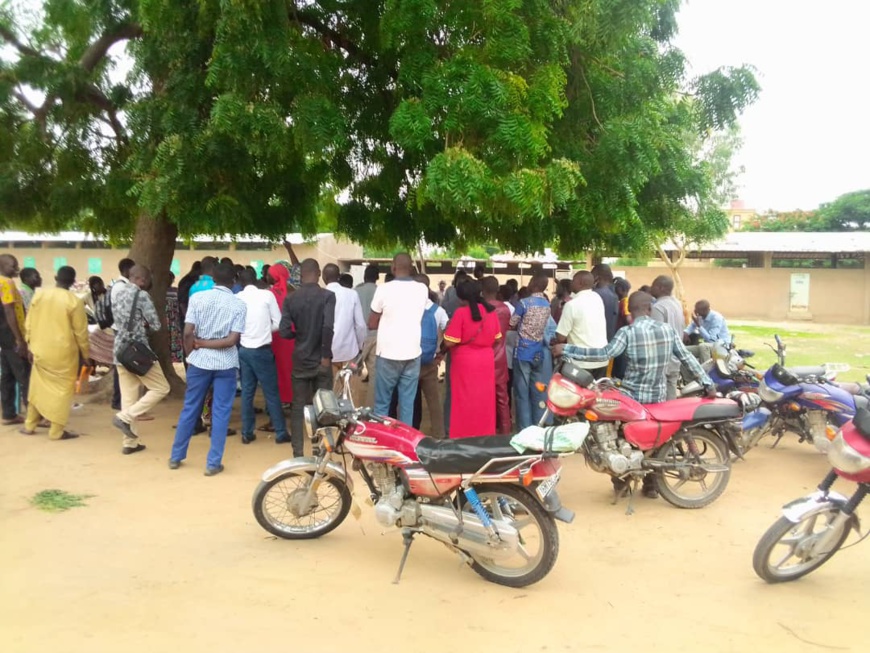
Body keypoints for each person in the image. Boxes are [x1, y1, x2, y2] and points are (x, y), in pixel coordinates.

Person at [551, 291, 715, 499]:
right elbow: (687, 358)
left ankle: (621, 481)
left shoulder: (627, 332)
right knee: (657, 441)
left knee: (619, 438)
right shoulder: (667, 330)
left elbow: (604, 353)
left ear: (630, 310)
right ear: (649, 309)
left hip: (632, 398)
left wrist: (567, 349)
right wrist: (707, 383)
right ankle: (651, 486)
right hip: (658, 398)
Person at [170, 262, 246, 475]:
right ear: (234, 281)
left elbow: (188, 332)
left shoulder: (197, 298)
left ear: (213, 279)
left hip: (199, 362)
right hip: (226, 364)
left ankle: (176, 456)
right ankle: (213, 463)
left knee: (190, 407)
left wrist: (193, 351)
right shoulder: (238, 305)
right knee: (221, 412)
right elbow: (231, 340)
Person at [19, 266, 89, 440]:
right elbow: (81, 332)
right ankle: (56, 430)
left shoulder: (39, 295)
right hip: (64, 353)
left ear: (56, 277)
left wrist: (29, 344)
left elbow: (29, 322)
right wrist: (86, 355)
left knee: (37, 387)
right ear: (73, 282)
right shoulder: (74, 301)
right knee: (62, 390)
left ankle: (29, 425)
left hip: (39, 349)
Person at [111, 265, 170, 455]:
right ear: (142, 279)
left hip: (119, 350)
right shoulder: (142, 296)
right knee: (161, 388)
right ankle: (124, 417)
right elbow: (155, 325)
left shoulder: (116, 292)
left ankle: (130, 443)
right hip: (138, 351)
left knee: (129, 397)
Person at [279, 258, 335, 457]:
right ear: (318, 273)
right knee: (324, 406)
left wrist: (299, 335)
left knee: (298, 407)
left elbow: (284, 331)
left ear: (301, 275)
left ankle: (298, 452)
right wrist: (326, 355)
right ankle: (320, 450)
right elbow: (327, 327)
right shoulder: (328, 296)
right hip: (321, 359)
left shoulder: (291, 299)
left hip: (300, 359)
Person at [368, 253, 428, 425]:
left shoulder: (383, 289)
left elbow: (372, 323)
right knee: (407, 405)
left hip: (387, 353)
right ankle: (404, 439)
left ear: (393, 267)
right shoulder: (422, 289)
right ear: (411, 268)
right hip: (412, 353)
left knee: (382, 404)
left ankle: (383, 438)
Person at [443, 280, 501, 438]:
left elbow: (449, 341)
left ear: (461, 297)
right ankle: (484, 434)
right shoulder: (491, 312)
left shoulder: (460, 313)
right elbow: (497, 339)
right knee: (484, 399)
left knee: (464, 400)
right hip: (486, 360)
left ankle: (463, 434)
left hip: (464, 362)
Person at [237, 269, 289, 445]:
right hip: (262, 350)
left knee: (247, 392)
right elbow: (279, 323)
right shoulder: (267, 295)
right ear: (256, 279)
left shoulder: (237, 298)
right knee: (271, 392)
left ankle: (247, 433)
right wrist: (265, 330)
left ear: (240, 282)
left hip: (244, 350)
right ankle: (280, 432)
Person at [510, 275, 551, 429]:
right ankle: (537, 425)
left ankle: (525, 428)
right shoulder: (547, 304)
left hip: (523, 351)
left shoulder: (524, 303)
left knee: (522, 393)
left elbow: (512, 322)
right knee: (537, 391)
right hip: (538, 351)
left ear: (533, 284)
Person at [413, 274, 448, 438]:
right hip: (430, 361)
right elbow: (449, 333)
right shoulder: (438, 310)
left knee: (408, 401)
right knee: (434, 402)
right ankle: (439, 435)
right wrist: (441, 353)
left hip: (410, 362)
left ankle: (411, 434)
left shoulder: (407, 307)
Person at [323, 263, 365, 397]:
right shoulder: (352, 294)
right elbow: (360, 325)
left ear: (323, 277)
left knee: (331, 392)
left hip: (327, 353)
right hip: (349, 352)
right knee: (350, 392)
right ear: (339, 276)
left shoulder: (320, 295)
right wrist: (360, 347)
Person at [555, 271, 607, 377]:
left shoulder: (571, 305)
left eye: (573, 280)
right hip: (601, 359)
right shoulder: (597, 298)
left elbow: (561, 337)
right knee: (596, 388)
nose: (571, 283)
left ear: (580, 283)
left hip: (581, 362)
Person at [0, 254, 30, 425]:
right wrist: (20, 340)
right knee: (25, 375)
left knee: (7, 376)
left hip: (3, 337)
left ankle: (9, 414)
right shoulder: (7, 283)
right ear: (2, 266)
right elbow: (9, 311)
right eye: (12, 265)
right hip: (12, 336)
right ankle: (35, 416)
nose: (16, 268)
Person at [482, 276, 512, 434]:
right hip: (500, 357)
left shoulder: (480, 308)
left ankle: (487, 431)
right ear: (497, 290)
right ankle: (506, 431)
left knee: (483, 398)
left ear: (482, 291)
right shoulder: (505, 309)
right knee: (502, 399)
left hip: (483, 358)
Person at [650, 275, 685, 400]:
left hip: (662, 359)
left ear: (661, 288)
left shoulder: (658, 307)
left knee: (659, 397)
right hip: (676, 356)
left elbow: (656, 335)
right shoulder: (677, 304)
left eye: (653, 285)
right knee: (671, 392)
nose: (651, 288)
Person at [269, 263, 295, 408]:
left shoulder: (269, 294)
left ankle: (280, 402)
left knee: (276, 370)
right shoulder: (293, 291)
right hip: (291, 335)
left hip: (275, 336)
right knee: (290, 368)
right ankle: (292, 399)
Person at [355, 263, 380, 406]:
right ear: (377, 277)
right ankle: (370, 408)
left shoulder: (356, 291)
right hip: (376, 336)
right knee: (374, 375)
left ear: (364, 276)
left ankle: (353, 407)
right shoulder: (380, 291)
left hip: (359, 338)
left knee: (353, 372)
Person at [165, 272, 183, 363]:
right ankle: (174, 356)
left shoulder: (160, 292)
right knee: (173, 337)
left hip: (169, 319)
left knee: (170, 336)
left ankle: (170, 357)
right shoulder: (176, 291)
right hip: (173, 319)